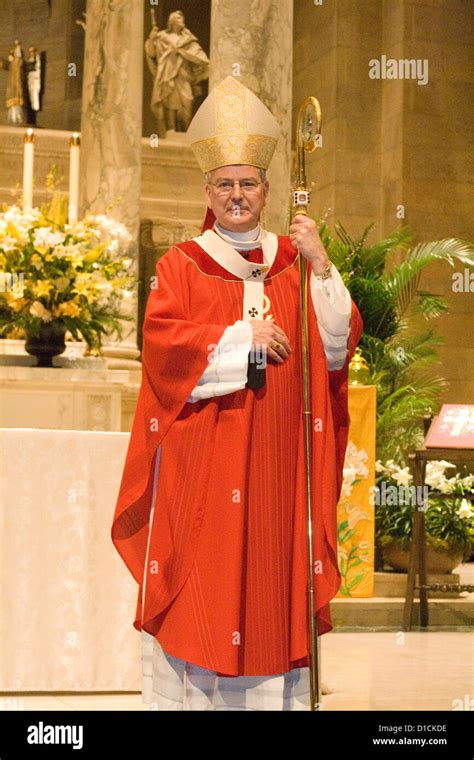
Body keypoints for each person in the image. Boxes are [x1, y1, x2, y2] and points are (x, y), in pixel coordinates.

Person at [111, 76, 363, 710]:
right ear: (207, 193)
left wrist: (324, 263)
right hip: (205, 466)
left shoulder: (296, 260)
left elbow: (335, 349)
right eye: (224, 185)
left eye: (248, 183)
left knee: (275, 584)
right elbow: (163, 349)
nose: (237, 195)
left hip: (280, 467)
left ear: (268, 191)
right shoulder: (183, 264)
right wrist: (240, 337)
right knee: (206, 586)